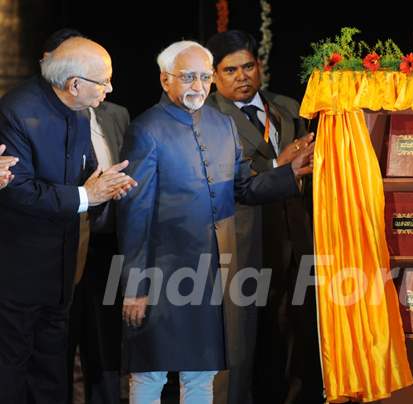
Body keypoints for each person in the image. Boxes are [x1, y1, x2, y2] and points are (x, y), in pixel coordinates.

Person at [117, 40, 313, 404]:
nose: (198, 86)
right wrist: (135, 286)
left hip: (209, 274)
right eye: (188, 77)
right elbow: (134, 213)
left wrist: (288, 175)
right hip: (161, 273)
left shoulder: (222, 125)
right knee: (150, 373)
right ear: (165, 80)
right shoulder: (146, 130)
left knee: (202, 374)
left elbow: (245, 188)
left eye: (204, 77)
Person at [0, 36, 136, 403]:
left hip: (62, 269)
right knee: (12, 368)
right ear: (75, 84)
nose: (110, 88)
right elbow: (17, 190)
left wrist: (104, 186)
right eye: (104, 81)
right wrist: (86, 195)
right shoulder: (16, 111)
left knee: (52, 368)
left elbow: (84, 172)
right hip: (19, 272)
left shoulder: (77, 112)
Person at [205, 30, 323, 404]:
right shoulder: (207, 118)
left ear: (259, 67)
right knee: (245, 340)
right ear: (213, 76)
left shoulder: (287, 107)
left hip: (296, 238)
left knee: (297, 334)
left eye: (247, 67)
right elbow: (223, 179)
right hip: (243, 241)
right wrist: (278, 163)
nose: (241, 76)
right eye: (230, 70)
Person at [38, 28, 130, 404]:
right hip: (60, 243)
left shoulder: (116, 114)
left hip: (108, 242)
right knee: (59, 340)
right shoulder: (36, 118)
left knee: (106, 342)